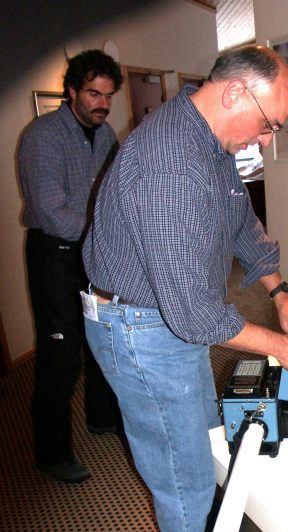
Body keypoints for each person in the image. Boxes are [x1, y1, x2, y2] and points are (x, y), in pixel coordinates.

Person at [82, 44, 288, 532]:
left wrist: (281, 290)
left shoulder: (211, 142)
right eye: (271, 125)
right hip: (138, 332)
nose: (269, 140)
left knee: (203, 446)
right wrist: (280, 346)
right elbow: (195, 316)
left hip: (164, 320)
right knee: (183, 474)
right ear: (236, 93)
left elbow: (241, 223)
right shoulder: (172, 164)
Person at [18, 49, 124, 484]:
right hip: (55, 256)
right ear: (72, 91)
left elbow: (116, 190)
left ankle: (100, 417)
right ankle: (52, 453)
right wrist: (104, 235)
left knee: (101, 339)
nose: (102, 103)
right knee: (61, 357)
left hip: (93, 253)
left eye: (108, 95)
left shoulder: (106, 133)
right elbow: (49, 210)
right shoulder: (43, 136)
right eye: (94, 93)